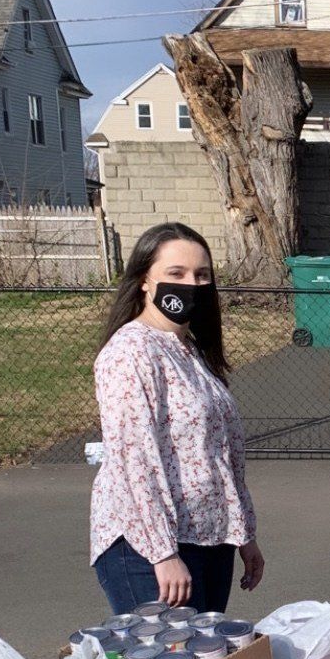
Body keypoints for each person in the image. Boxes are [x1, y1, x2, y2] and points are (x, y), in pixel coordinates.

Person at [90, 222, 264, 614]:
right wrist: (162, 552)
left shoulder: (191, 351)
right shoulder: (131, 353)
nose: (191, 284)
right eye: (176, 274)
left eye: (201, 275)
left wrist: (244, 534)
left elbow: (221, 456)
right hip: (148, 548)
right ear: (144, 282)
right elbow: (135, 460)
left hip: (208, 539)